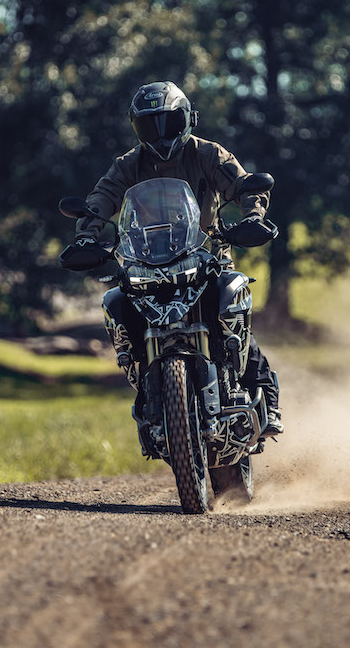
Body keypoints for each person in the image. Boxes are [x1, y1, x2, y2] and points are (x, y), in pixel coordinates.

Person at [73, 80, 283, 436]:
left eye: (168, 123)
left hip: (206, 257)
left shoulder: (208, 154)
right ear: (136, 128)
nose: (159, 134)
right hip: (146, 263)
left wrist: (253, 216)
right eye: (149, 125)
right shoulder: (129, 165)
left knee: (232, 306)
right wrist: (86, 235)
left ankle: (268, 397)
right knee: (117, 301)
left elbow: (244, 184)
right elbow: (102, 197)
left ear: (188, 119)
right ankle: (145, 384)